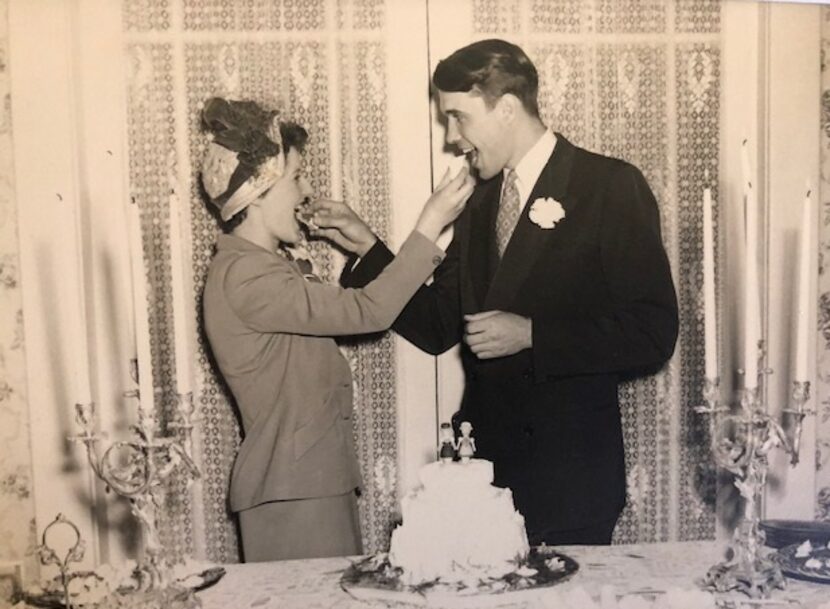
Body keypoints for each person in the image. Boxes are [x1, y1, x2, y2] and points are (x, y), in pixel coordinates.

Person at [334, 39, 679, 546]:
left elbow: (654, 332)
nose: (452, 138)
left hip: (569, 484)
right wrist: (369, 249)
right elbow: (434, 325)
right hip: (485, 486)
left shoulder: (608, 185)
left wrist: (535, 335)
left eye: (459, 117)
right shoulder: (480, 203)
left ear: (508, 109)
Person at [199, 97, 474, 562]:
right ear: (261, 191)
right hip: (293, 489)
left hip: (307, 482)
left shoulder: (259, 267)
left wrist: (365, 243)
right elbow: (367, 311)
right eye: (296, 178)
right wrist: (429, 224)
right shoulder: (247, 275)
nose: (306, 192)